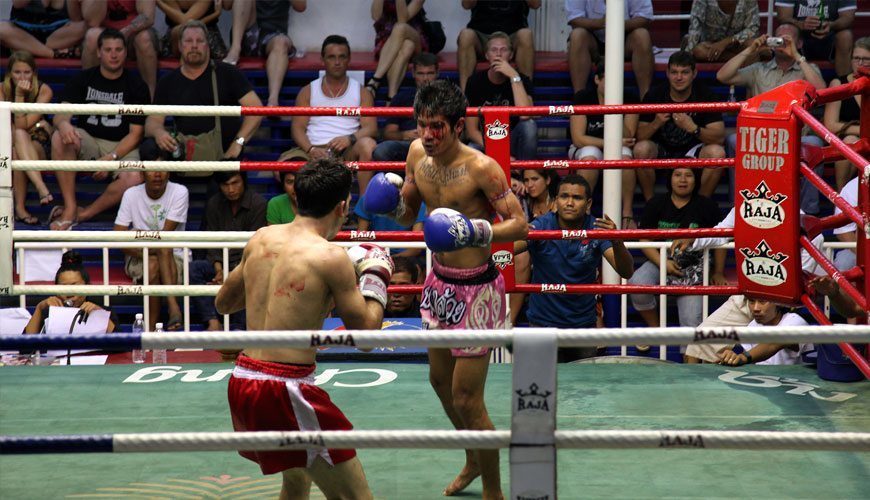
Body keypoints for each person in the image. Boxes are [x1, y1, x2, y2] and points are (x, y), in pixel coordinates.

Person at [363, 79, 528, 498]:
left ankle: (494, 490)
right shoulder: (417, 153)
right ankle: (474, 458)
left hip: (477, 290)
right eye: (423, 125)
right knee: (440, 383)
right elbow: (407, 216)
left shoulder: (481, 168)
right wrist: (391, 205)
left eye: (438, 126)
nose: (429, 135)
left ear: (457, 125)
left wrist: (472, 230)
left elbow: (519, 223)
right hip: (439, 284)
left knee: (468, 398)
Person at [214, 157, 390, 499]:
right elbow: (367, 337)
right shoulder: (330, 257)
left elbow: (224, 304)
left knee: (296, 483)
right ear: (343, 206)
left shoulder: (262, 238)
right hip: (285, 389)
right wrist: (377, 275)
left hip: (243, 380)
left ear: (297, 197)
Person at [673, 206, 825, 363]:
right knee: (700, 341)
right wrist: (695, 238)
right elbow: (721, 232)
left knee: (779, 345)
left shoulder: (795, 214)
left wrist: (791, 292)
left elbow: (814, 242)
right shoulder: (745, 206)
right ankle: (694, 388)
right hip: (749, 296)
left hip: (780, 299)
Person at [513, 175, 634, 362]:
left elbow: (626, 271)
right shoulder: (542, 226)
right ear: (555, 201)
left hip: (582, 327)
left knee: (582, 389)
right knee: (539, 387)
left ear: (588, 203)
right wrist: (516, 233)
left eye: (577, 198)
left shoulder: (596, 229)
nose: (569, 203)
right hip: (542, 325)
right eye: (564, 197)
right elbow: (506, 252)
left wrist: (617, 241)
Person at [716, 23, 827, 215]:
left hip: (796, 136)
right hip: (761, 136)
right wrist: (751, 49)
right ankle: (738, 207)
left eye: (787, 39)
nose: (781, 43)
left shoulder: (808, 68)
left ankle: (808, 212)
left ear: (799, 43)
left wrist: (797, 56)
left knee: (814, 143)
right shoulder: (758, 69)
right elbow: (722, 76)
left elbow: (821, 91)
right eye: (777, 39)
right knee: (734, 140)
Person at [50, 28, 151, 231]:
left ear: (125, 52)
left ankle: (85, 213)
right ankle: (70, 208)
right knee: (59, 136)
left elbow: (136, 134)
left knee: (134, 176)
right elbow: (60, 114)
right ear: (98, 52)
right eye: (108, 50)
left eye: (118, 49)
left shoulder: (136, 84)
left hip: (122, 145)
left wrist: (112, 158)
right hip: (90, 142)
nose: (113, 55)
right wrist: (63, 124)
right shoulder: (83, 79)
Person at [143, 20, 263, 163]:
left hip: (224, 161)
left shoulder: (229, 73)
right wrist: (159, 133)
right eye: (188, 41)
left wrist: (238, 143)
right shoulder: (168, 81)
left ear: (208, 45)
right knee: (148, 148)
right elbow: (152, 121)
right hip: (185, 161)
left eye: (200, 41)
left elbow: (256, 110)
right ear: (180, 46)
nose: (194, 46)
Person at [628, 168, 722, 332]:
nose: (683, 180)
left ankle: (687, 356)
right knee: (637, 283)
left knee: (692, 321)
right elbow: (644, 239)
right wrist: (663, 263)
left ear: (696, 179)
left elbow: (721, 240)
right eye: (677, 175)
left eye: (688, 175)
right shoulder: (656, 203)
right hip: (661, 260)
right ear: (670, 179)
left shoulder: (707, 206)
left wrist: (718, 272)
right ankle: (656, 330)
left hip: (695, 266)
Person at [282, 35, 378, 194]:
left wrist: (350, 138)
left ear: (349, 59)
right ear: (322, 59)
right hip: (312, 149)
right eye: (332, 57)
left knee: (368, 145)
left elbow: (371, 128)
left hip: (346, 152)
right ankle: (302, 215)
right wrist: (311, 149)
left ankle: (363, 209)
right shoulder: (308, 91)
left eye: (342, 57)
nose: (337, 62)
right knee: (279, 166)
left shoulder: (362, 92)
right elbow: (297, 128)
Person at [634, 51, 726, 205]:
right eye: (674, 72)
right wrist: (656, 123)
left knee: (717, 152)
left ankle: (700, 206)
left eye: (685, 72)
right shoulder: (655, 95)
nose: (679, 77)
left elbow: (719, 137)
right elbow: (639, 136)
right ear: (667, 73)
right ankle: (650, 205)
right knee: (641, 149)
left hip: (693, 151)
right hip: (662, 150)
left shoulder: (705, 95)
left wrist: (693, 128)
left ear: (694, 73)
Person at [113, 170, 189, 331]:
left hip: (174, 257)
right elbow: (118, 236)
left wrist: (139, 239)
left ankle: (149, 331)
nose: (157, 174)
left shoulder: (179, 191)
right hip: (140, 255)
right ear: (142, 173)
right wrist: (146, 251)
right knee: (160, 251)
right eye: (152, 169)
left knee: (160, 253)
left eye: (161, 168)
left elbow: (165, 236)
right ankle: (173, 306)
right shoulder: (131, 194)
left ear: (169, 172)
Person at [190, 172, 266, 331]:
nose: (231, 189)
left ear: (243, 181)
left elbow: (254, 245)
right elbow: (211, 240)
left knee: (251, 272)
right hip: (218, 264)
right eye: (225, 185)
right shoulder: (214, 203)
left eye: (235, 183)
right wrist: (219, 269)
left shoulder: (258, 203)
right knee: (193, 268)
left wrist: (232, 274)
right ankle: (212, 321)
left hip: (244, 264)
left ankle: (239, 327)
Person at [568, 63, 639, 219]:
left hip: (617, 145)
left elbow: (628, 135)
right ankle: (584, 215)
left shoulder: (630, 97)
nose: (613, 85)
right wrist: (610, 143)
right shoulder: (583, 97)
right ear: (597, 80)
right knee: (590, 156)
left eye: (617, 80)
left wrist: (614, 107)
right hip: (586, 147)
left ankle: (627, 214)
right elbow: (579, 139)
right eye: (609, 80)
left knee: (625, 158)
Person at [464, 32, 538, 161]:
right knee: (472, 148)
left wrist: (514, 76)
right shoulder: (475, 82)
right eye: (494, 50)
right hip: (486, 140)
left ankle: (527, 174)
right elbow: (471, 131)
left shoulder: (522, 80)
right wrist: (499, 152)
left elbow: (525, 115)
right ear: (487, 55)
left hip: (513, 140)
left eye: (503, 50)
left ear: (511, 55)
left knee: (529, 126)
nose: (498, 54)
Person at [1, 51, 54, 226]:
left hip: (37, 141)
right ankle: (40, 189)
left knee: (19, 138)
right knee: (16, 144)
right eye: (17, 72)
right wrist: (37, 122)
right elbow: (8, 127)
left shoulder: (44, 90)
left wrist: (19, 96)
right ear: (9, 74)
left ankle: (20, 208)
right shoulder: (1, 89)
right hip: (7, 140)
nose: (22, 77)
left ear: (34, 73)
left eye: (27, 72)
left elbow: (22, 126)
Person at [222, 0, 306, 107]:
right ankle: (235, 49)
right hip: (247, 34)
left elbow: (301, 6)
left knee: (281, 42)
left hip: (274, 33)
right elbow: (227, 5)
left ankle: (273, 101)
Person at [565, 0, 654, 97]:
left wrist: (617, 24)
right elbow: (574, 18)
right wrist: (601, 23)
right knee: (577, 35)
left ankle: (646, 100)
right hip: (592, 40)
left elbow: (645, 17)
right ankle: (579, 100)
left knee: (642, 35)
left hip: (624, 38)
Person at [24, 251, 117, 334]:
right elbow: (24, 348)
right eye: (64, 287)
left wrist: (99, 315)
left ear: (88, 287)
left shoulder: (103, 311)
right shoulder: (47, 313)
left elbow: (123, 346)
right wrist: (39, 309)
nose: (69, 292)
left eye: (74, 286)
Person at [81, 0, 160, 98]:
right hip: (105, 34)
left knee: (144, 38)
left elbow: (148, 17)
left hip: (131, 34)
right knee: (92, 36)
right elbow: (93, 21)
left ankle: (150, 98)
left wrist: (124, 32)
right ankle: (88, 94)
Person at [457, 0, 540, 91]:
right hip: (482, 35)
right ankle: (464, 98)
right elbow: (466, 5)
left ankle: (525, 95)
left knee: (526, 35)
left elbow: (535, 4)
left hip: (512, 36)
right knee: (466, 35)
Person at [372, 51, 439, 162]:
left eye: (430, 73)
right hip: (408, 145)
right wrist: (404, 134)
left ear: (437, 73)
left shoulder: (448, 97)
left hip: (439, 144)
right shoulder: (401, 98)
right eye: (420, 73)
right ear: (413, 73)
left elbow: (460, 133)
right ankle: (400, 179)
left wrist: (436, 135)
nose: (425, 78)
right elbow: (388, 133)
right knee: (382, 150)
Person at [823, 36, 869, 190]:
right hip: (846, 139)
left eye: (865, 59)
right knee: (850, 141)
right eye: (856, 58)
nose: (860, 64)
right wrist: (860, 129)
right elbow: (830, 125)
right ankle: (842, 197)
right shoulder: (839, 83)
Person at [365, 0, 431, 104]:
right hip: (389, 41)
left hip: (414, 36)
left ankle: (376, 79)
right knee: (407, 46)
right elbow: (376, 16)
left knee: (400, 28)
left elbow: (402, 19)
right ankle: (391, 97)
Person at [717, 298, 813, 366]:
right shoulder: (752, 326)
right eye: (751, 301)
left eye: (762, 301)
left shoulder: (795, 322)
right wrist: (732, 357)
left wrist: (744, 357)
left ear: (778, 302)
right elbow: (746, 357)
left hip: (794, 386)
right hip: (763, 385)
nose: (755, 308)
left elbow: (775, 342)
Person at [776, 0, 856, 76]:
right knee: (786, 32)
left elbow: (848, 18)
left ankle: (843, 83)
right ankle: (783, 80)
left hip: (830, 37)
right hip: (799, 37)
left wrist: (831, 25)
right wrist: (801, 24)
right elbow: (783, 17)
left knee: (845, 36)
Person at [0, 0, 88, 59]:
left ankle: (32, 49)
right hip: (24, 33)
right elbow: (18, 3)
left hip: (56, 36)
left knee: (83, 27)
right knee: (2, 29)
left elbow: (76, 20)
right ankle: (52, 54)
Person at [683, 0, 761, 64]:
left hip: (737, 43)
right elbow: (695, 28)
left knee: (754, 44)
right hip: (710, 45)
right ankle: (741, 59)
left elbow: (753, 28)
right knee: (699, 51)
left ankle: (746, 57)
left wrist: (726, 42)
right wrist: (688, 55)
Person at [353, 193, 426, 258]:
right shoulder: (366, 200)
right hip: (374, 256)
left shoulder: (418, 203)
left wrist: (393, 258)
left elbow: (416, 248)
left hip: (404, 259)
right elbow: (360, 240)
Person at [156, 0, 227, 60]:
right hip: (176, 34)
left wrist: (159, 3)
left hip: (206, 30)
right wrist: (215, 14)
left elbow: (186, 20)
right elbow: (184, 23)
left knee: (184, 32)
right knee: (179, 31)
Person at [831, 175, 859, 273]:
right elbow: (843, 232)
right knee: (844, 263)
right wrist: (866, 256)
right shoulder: (854, 187)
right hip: (861, 251)